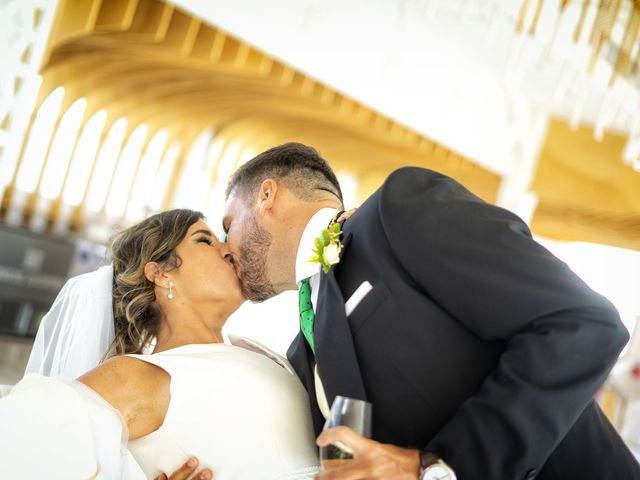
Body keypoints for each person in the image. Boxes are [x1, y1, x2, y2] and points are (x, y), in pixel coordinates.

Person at [222, 142, 640, 480]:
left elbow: (583, 324)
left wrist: (440, 467)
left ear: (266, 196)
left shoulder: (395, 214)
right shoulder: (301, 355)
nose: (227, 248)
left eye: (228, 226)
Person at [0, 209, 320, 480]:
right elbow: (15, 448)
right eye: (204, 240)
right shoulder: (139, 376)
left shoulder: (257, 350)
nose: (227, 250)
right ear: (161, 272)